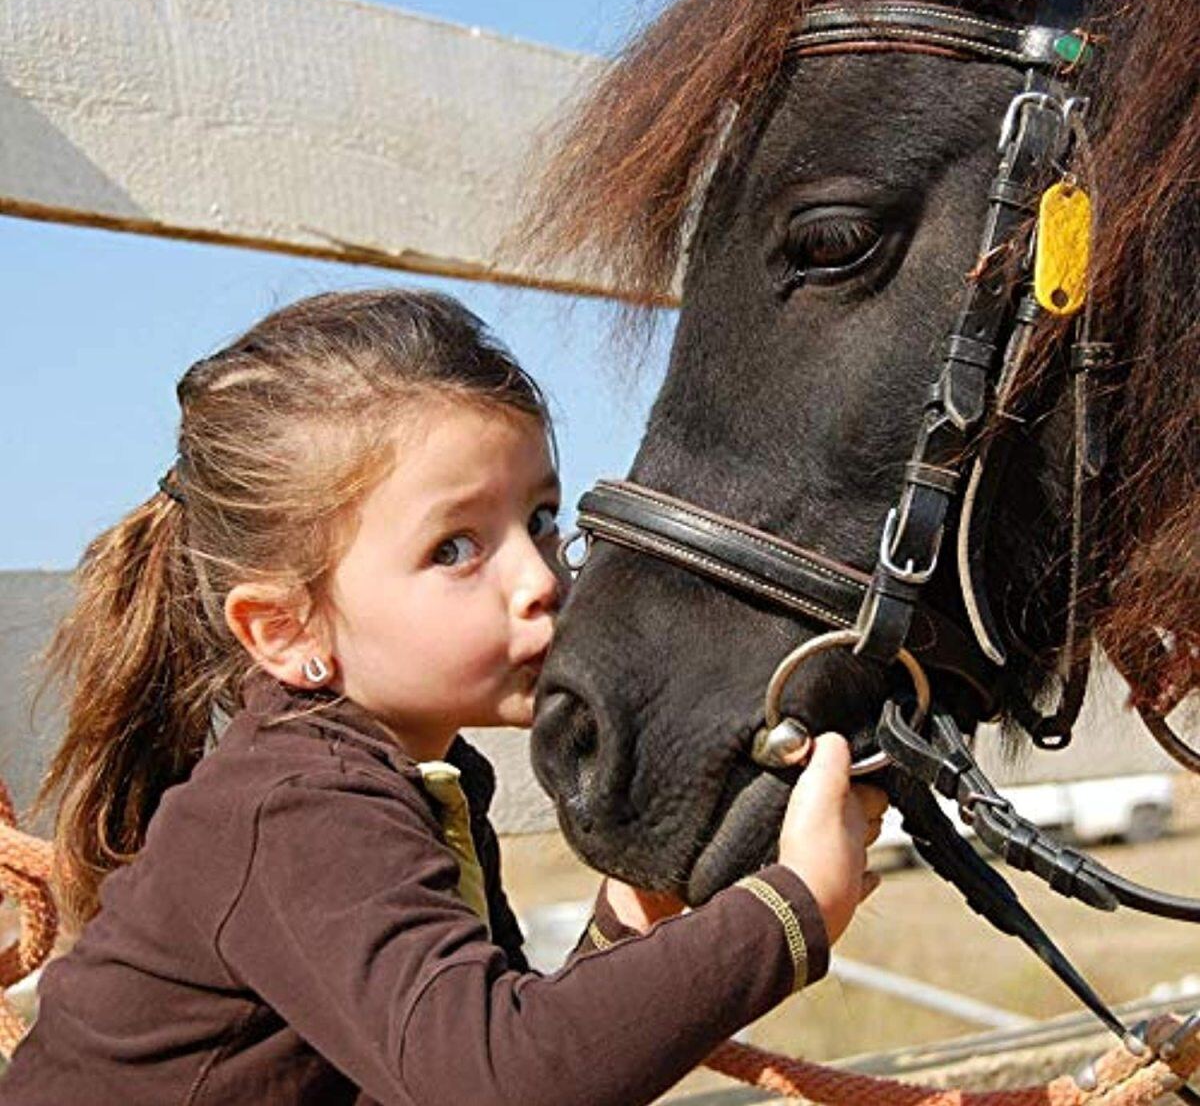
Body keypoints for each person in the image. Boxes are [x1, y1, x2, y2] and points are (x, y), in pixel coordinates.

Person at [2, 289, 887, 1106]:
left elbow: (473, 1045)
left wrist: (626, 923)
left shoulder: (410, 778)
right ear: (286, 632)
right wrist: (795, 908)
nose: (538, 577)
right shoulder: (297, 808)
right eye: (456, 547)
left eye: (539, 518)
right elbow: (496, 1082)